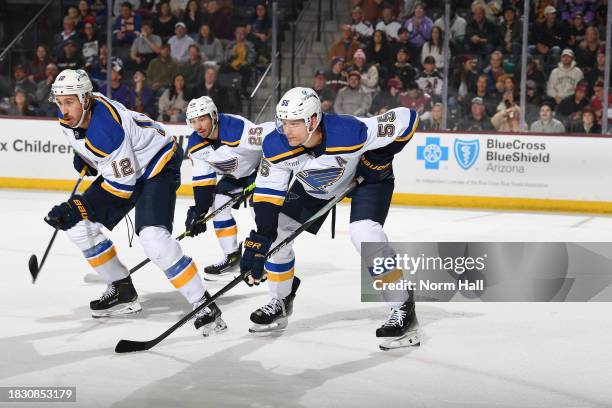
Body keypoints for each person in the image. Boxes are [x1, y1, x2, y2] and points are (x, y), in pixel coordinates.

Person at [45, 69, 225, 336]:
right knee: (80, 227)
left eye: (69, 101)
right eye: (59, 102)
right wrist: (87, 158)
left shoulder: (106, 130)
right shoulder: (72, 117)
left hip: (157, 165)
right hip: (128, 167)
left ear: (85, 99)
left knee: (153, 239)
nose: (63, 109)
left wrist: (78, 207)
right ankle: (122, 290)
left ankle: (203, 303)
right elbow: (102, 157)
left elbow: (121, 187)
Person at [240, 87, 420, 349]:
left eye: (294, 123)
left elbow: (407, 118)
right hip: (315, 186)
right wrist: (262, 236)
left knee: (365, 235)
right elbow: (267, 196)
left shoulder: (350, 131)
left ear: (313, 120)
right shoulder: (275, 145)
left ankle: (403, 308)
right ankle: (280, 299)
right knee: (278, 233)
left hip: (367, 180)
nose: (286, 130)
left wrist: (379, 156)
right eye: (284, 122)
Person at [184, 96, 275, 277]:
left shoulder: (237, 130)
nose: (198, 126)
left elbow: (273, 135)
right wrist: (200, 211)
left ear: (214, 116)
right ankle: (232, 256)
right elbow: (203, 180)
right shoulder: (196, 144)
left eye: (202, 119)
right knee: (217, 206)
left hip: (259, 169)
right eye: (194, 121)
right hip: (235, 176)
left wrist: (268, 172)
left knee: (260, 212)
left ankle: (266, 257)